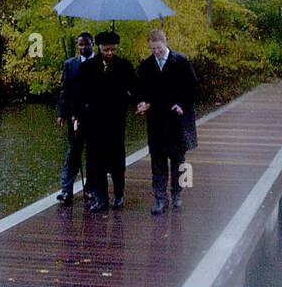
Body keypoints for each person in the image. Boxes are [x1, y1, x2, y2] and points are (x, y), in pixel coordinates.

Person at [135, 29, 198, 215]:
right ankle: (160, 198)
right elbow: (141, 90)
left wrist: (182, 105)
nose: (156, 52)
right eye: (153, 48)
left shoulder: (181, 62)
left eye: (159, 48)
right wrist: (141, 103)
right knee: (158, 161)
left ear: (165, 43)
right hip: (156, 120)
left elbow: (193, 88)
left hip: (177, 120)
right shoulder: (146, 66)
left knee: (179, 160)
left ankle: (177, 193)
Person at [78, 30, 138, 212]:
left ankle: (119, 195)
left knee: (117, 160)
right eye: (106, 50)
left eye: (112, 50)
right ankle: (101, 198)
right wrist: (77, 113)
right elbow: (81, 94)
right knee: (97, 161)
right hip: (95, 121)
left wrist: (139, 102)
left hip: (116, 119)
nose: (109, 53)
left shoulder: (124, 66)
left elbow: (135, 88)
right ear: (99, 48)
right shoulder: (88, 67)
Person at [55, 32, 94, 205]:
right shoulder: (70, 65)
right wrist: (61, 113)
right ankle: (66, 190)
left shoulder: (100, 64)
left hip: (95, 117)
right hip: (75, 117)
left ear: (92, 44)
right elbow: (65, 90)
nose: (83, 48)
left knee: (93, 154)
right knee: (73, 154)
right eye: (80, 45)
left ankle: (92, 189)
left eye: (86, 44)